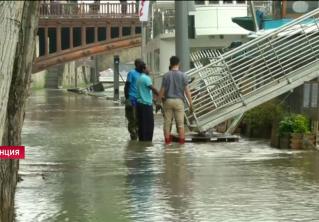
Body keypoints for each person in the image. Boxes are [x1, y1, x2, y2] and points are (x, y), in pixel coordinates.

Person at [158, 56, 193, 145]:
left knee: (167, 123)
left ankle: (167, 145)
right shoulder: (183, 75)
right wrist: (191, 104)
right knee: (180, 124)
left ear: (170, 64)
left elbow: (162, 90)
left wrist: (158, 102)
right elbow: (187, 91)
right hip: (179, 102)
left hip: (168, 101)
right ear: (179, 63)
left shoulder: (166, 75)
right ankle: (181, 146)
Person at [136, 62, 159, 141]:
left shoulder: (139, 78)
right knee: (149, 125)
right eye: (147, 68)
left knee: (142, 125)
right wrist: (161, 96)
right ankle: (147, 143)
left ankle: (142, 142)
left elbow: (145, 92)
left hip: (139, 104)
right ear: (144, 69)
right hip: (145, 105)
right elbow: (153, 89)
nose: (149, 69)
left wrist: (154, 99)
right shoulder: (146, 78)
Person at [124, 59, 143, 140]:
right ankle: (133, 136)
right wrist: (127, 98)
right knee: (132, 118)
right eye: (141, 64)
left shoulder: (143, 74)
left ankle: (137, 135)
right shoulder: (131, 73)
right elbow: (127, 85)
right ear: (137, 64)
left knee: (139, 119)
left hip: (140, 100)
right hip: (132, 99)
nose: (143, 65)